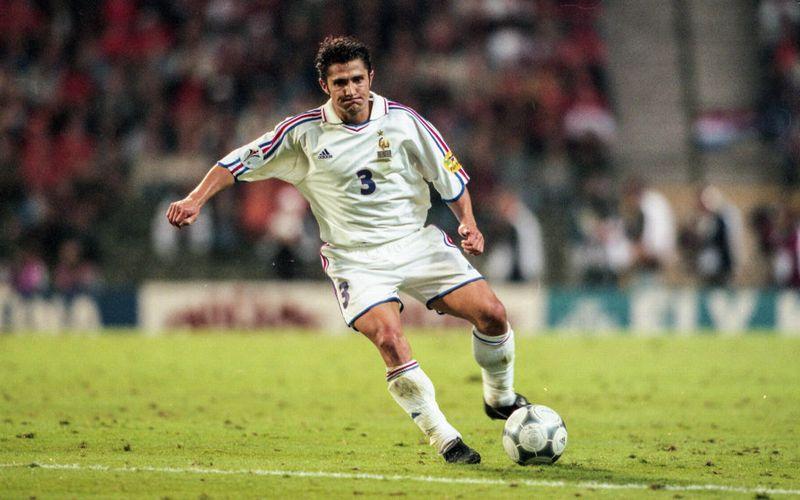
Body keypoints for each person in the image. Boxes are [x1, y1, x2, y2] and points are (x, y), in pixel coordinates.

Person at [166, 36, 529, 464]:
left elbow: (449, 176)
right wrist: (195, 199)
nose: (351, 90)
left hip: (416, 243)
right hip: (356, 260)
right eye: (340, 82)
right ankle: (445, 438)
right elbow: (234, 162)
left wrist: (468, 221)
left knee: (493, 314)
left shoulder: (405, 122)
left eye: (357, 79)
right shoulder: (302, 134)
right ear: (325, 85)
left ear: (371, 77)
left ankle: (499, 397)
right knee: (390, 339)